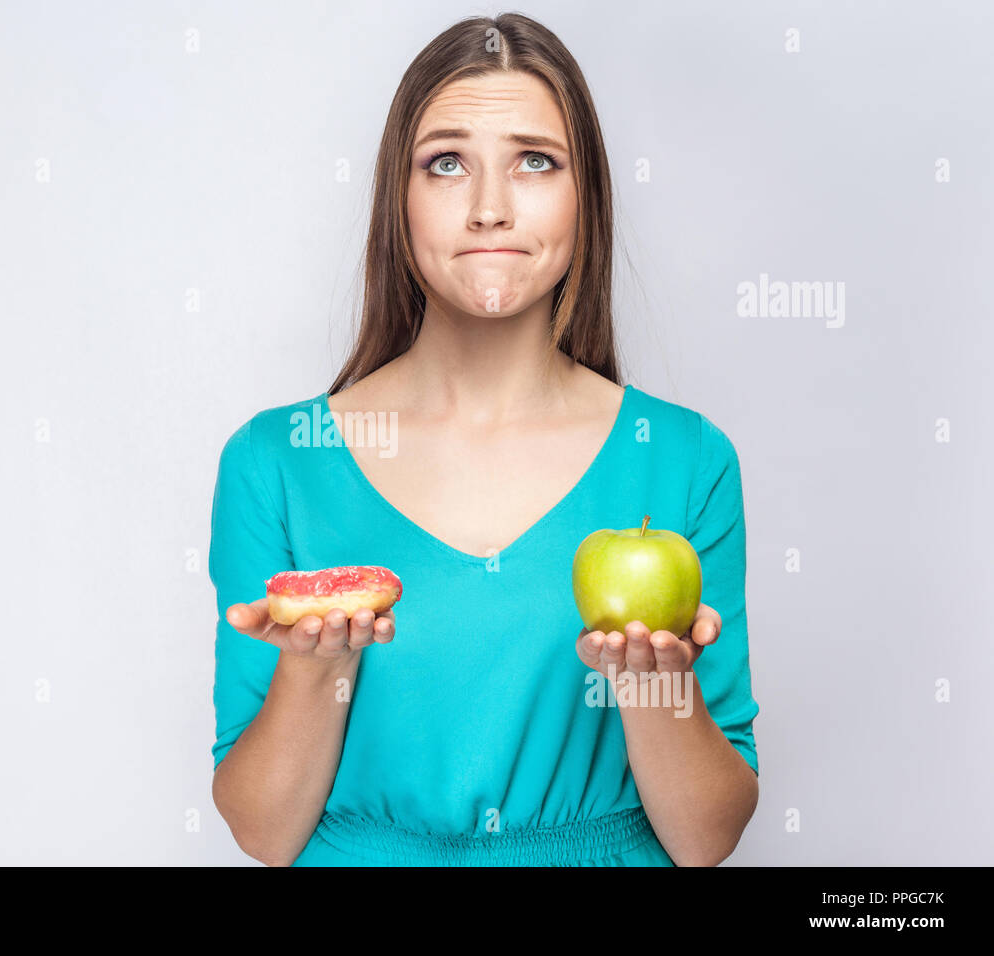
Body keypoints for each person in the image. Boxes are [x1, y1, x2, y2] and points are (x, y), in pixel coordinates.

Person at [207, 13, 759, 867]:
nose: (490, 206)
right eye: (447, 163)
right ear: (401, 196)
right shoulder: (275, 463)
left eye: (535, 161)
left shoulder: (685, 460)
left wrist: (655, 683)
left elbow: (705, 839)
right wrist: (317, 668)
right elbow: (261, 830)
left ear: (588, 197)